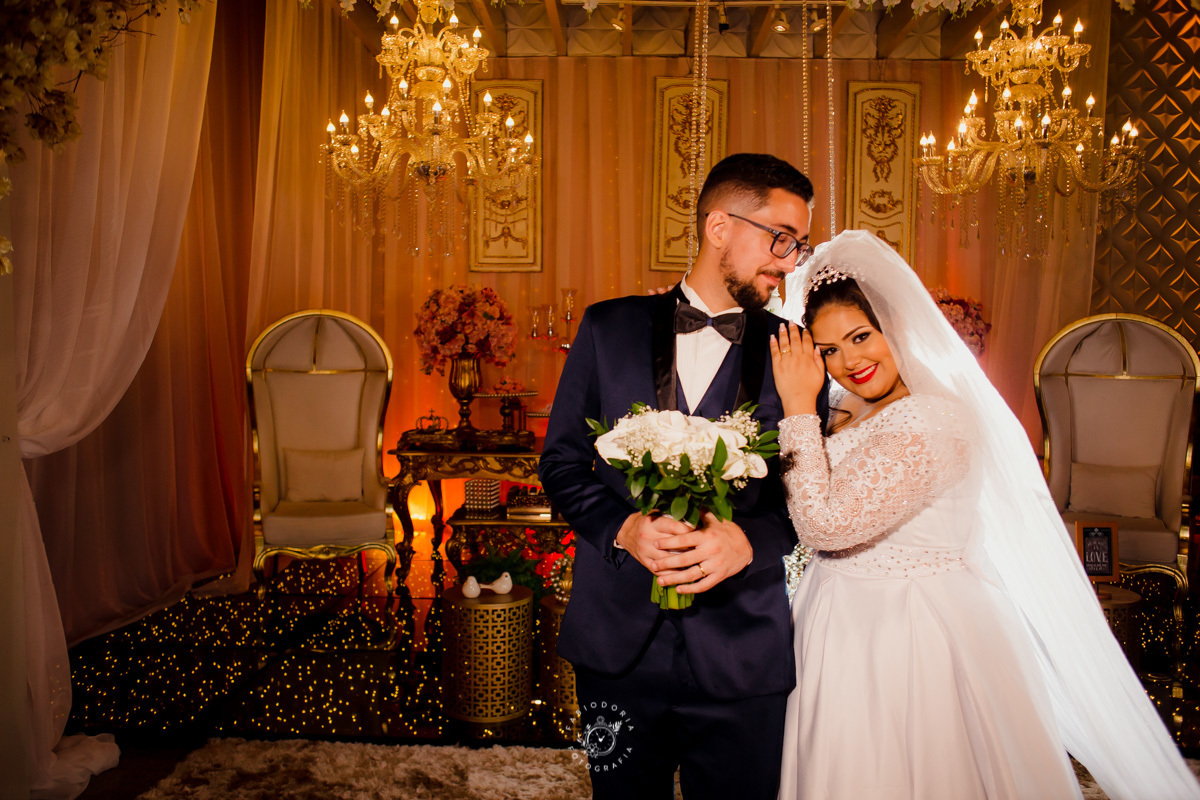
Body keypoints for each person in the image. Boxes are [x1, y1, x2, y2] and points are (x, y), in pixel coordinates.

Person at [769, 229, 1199, 799]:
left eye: (860, 336)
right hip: (837, 620)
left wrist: (797, 409)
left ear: (896, 326)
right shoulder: (854, 410)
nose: (849, 361)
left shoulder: (932, 421)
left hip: (905, 633)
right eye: (829, 350)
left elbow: (825, 525)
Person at [538, 152, 827, 800]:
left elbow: (810, 492)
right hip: (617, 644)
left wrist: (751, 541)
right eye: (781, 238)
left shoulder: (795, 349)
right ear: (719, 226)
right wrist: (623, 528)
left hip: (743, 650)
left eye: (799, 245)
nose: (788, 261)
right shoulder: (606, 327)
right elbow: (559, 461)